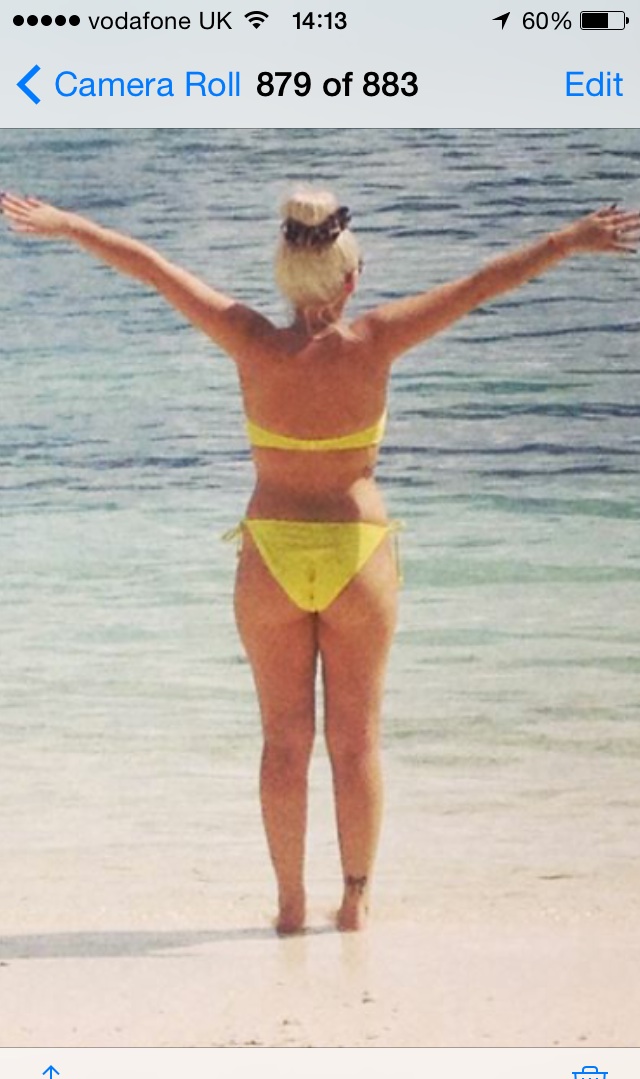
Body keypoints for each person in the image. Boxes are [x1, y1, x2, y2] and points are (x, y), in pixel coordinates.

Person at [2, 187, 638, 934]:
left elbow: (151, 267)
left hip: (271, 554)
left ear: (283, 273)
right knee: (355, 742)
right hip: (356, 553)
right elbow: (480, 284)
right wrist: (567, 239)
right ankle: (356, 899)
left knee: (283, 743)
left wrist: (68, 224)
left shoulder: (248, 338)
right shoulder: (377, 339)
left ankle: (289, 904)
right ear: (351, 277)